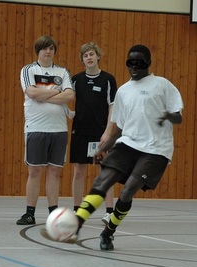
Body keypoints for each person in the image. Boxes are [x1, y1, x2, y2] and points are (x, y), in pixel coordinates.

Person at [71, 44, 183, 250]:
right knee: (103, 180)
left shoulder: (162, 85)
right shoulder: (123, 91)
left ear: (148, 63)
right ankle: (76, 224)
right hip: (128, 144)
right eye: (130, 62)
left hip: (156, 150)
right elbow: (120, 127)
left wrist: (169, 115)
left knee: (127, 191)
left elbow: (179, 117)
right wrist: (104, 146)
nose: (134, 66)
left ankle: (108, 233)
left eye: (139, 62)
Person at [17, 35, 75, 225]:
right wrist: (57, 91)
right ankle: (29, 213)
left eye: (51, 48)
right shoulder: (29, 70)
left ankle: (53, 213)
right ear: (38, 51)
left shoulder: (63, 71)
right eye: (44, 48)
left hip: (58, 130)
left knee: (54, 172)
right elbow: (32, 93)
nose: (48, 51)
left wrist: (45, 96)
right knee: (34, 172)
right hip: (35, 129)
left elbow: (69, 96)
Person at [70, 42, 117, 225]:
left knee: (104, 171)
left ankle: (109, 211)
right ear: (82, 60)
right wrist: (69, 113)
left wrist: (107, 132)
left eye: (91, 54)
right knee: (79, 171)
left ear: (98, 56)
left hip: (100, 135)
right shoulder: (75, 80)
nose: (89, 58)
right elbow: (64, 98)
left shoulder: (107, 79)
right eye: (85, 56)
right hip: (80, 132)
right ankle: (77, 210)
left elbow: (113, 106)